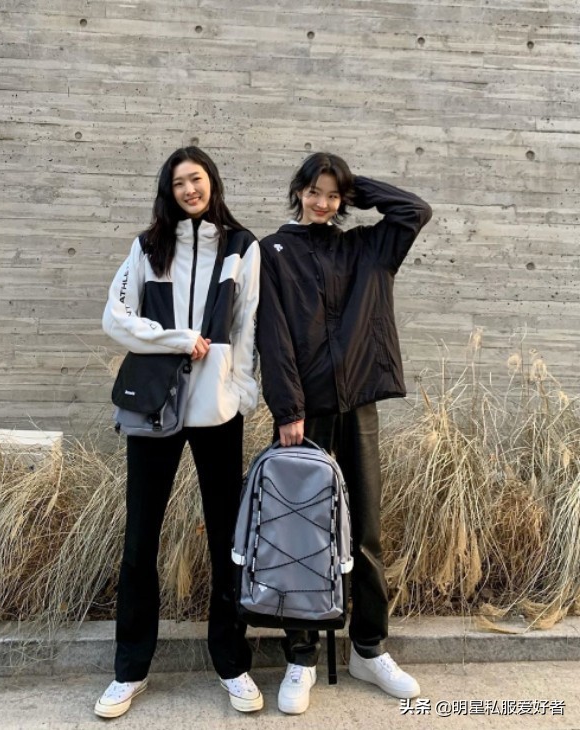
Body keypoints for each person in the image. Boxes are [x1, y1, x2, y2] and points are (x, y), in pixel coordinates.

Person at [256, 151, 432, 715]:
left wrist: (356, 186)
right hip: (304, 415)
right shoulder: (272, 252)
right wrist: (288, 409)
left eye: (333, 195)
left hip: (359, 407)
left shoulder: (366, 248)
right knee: (301, 533)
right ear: (298, 192)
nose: (323, 203)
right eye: (315, 192)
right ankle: (301, 655)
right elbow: (272, 336)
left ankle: (368, 648)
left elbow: (414, 211)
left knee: (367, 532)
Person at [96, 147, 263, 718]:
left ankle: (232, 662)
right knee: (140, 538)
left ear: (212, 181)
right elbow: (115, 318)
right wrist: (176, 339)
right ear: (168, 192)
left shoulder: (241, 247)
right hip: (154, 408)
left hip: (217, 410)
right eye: (178, 183)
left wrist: (241, 393)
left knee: (226, 540)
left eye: (197, 179)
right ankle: (129, 670)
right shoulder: (148, 247)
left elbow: (247, 325)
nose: (189, 189)